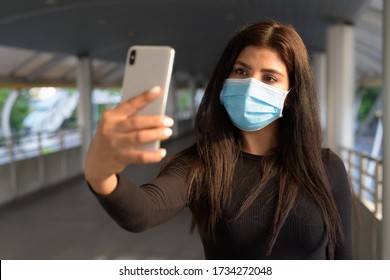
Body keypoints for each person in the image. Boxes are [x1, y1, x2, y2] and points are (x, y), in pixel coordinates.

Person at [84, 20, 353, 260]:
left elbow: (343, 256)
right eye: (241, 71)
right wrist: (99, 174)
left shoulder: (327, 166)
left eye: (269, 77)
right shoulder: (201, 165)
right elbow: (143, 211)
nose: (250, 85)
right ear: (224, 80)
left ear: (292, 94)